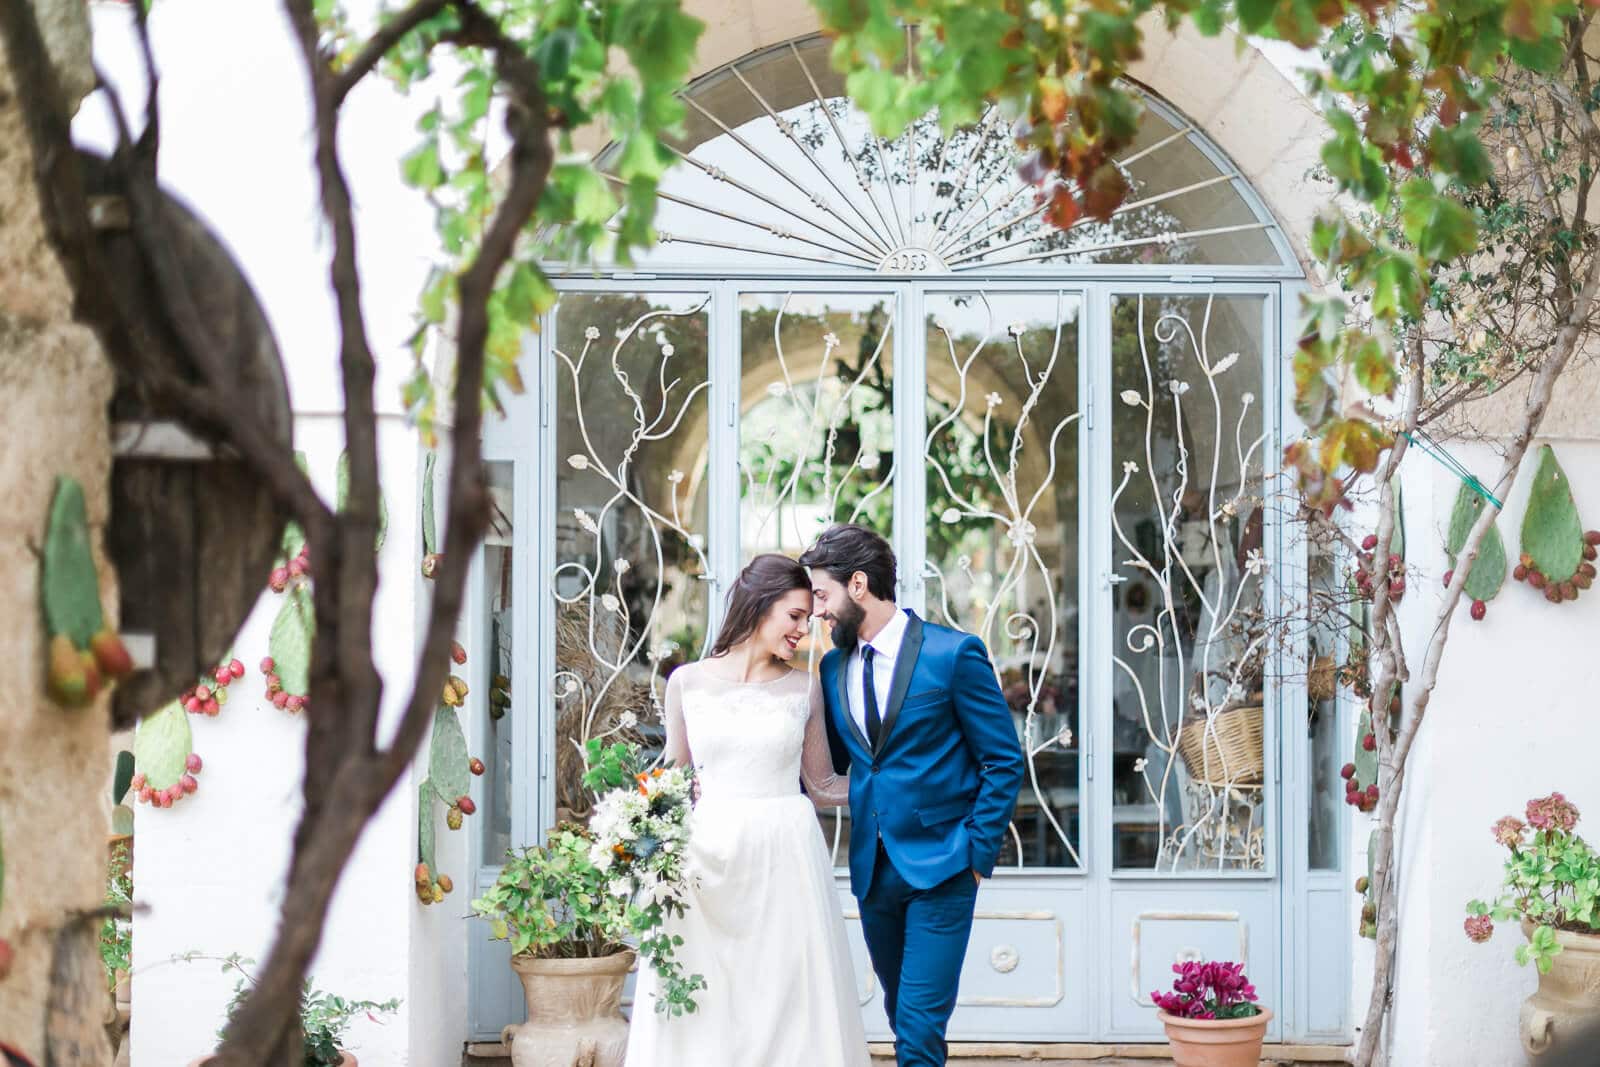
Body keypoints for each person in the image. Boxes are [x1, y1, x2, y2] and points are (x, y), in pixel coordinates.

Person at [623, 554, 870, 1067]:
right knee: (709, 999)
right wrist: (638, 840)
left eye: (808, 617)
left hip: (784, 859)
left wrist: (901, 785)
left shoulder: (804, 686)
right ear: (760, 606)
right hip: (705, 861)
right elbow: (674, 777)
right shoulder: (686, 682)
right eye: (795, 616)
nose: (804, 629)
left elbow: (822, 785)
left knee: (784, 999)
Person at [800, 523, 1025, 1067]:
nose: (818, 612)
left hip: (943, 868)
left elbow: (1003, 759)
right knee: (903, 1018)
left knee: (921, 1029)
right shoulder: (833, 667)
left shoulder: (954, 655)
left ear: (858, 585)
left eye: (823, 596)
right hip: (873, 873)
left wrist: (976, 852)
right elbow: (830, 766)